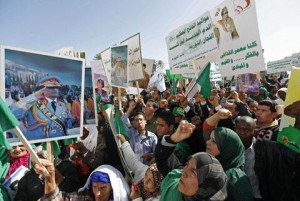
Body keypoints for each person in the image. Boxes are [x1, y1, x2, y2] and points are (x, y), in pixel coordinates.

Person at [155, 121, 228, 201]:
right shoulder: (176, 178)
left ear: (205, 184)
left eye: (193, 172)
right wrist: (173, 139)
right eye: (186, 164)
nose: (184, 172)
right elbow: (163, 159)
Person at [234, 115, 300, 201]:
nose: (242, 133)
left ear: (255, 132)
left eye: (247, 130)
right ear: (234, 129)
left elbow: (295, 158)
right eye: (239, 129)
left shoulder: (271, 149)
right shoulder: (226, 147)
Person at [203, 109, 254, 201]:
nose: (207, 142)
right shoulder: (213, 166)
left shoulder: (234, 177)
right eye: (210, 138)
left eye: (214, 141)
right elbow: (207, 127)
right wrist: (218, 115)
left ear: (226, 148)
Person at [117, 134, 164, 201]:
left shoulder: (161, 198)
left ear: (159, 185)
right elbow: (133, 161)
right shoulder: (143, 171)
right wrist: (124, 142)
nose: (145, 180)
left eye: (150, 180)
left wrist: (136, 198)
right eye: (146, 175)